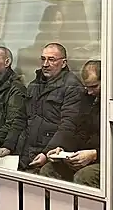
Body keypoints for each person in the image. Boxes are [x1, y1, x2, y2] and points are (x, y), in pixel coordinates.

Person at [40, 60, 113, 188]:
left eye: (94, 86)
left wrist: (95, 154)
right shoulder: (88, 97)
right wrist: (64, 150)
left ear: (108, 80)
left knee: (84, 176)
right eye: (86, 87)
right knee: (49, 170)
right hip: (88, 154)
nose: (89, 92)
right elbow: (79, 130)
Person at [18, 42, 85, 173]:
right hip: (26, 152)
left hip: (52, 154)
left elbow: (68, 125)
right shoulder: (34, 85)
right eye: (43, 59)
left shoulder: (72, 86)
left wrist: (46, 153)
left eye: (51, 60)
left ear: (64, 63)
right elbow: (22, 118)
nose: (45, 64)